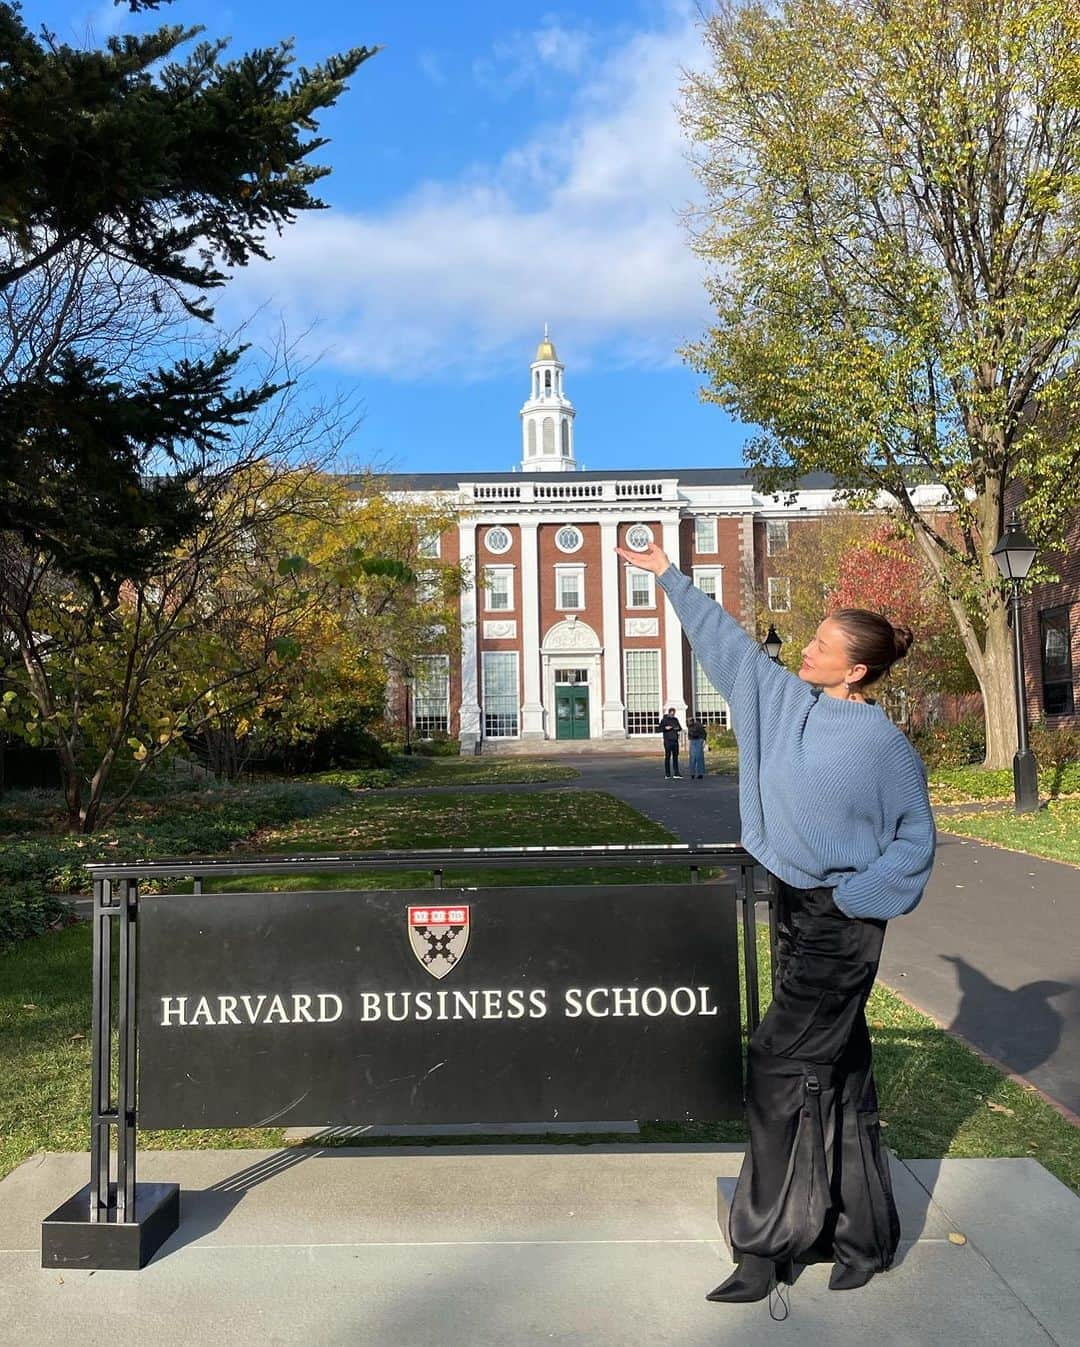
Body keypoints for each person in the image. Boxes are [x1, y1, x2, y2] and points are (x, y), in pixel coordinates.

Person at [615, 539, 935, 1306]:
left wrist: (858, 899)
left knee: (775, 1062)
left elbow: (915, 843)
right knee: (841, 1071)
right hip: (793, 907)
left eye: (824, 643)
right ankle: (862, 1234)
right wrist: (666, 571)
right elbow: (725, 642)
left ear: (855, 668)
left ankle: (764, 1244)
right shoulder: (786, 701)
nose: (809, 647)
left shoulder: (886, 746)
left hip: (842, 923)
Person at [658, 706, 682, 777]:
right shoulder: (664, 720)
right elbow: (659, 729)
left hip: (675, 740)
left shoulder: (675, 719)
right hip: (667, 741)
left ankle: (676, 773)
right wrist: (665, 728)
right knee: (667, 757)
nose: (672, 715)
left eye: (673, 714)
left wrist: (677, 728)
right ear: (669, 713)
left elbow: (680, 728)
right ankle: (667, 774)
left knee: (675, 757)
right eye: (671, 714)